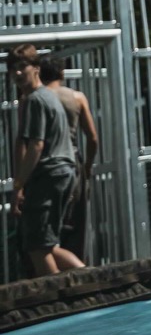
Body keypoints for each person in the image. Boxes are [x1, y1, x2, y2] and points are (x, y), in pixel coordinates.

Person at [9, 48, 84, 278]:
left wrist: (19, 184)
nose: (18, 72)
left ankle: (60, 301)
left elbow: (36, 146)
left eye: (23, 66)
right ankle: (92, 278)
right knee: (49, 245)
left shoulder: (35, 100)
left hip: (49, 174)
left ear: (37, 69)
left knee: (37, 248)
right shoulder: (48, 97)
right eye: (13, 68)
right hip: (63, 172)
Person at [38, 55, 98, 262]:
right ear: (62, 73)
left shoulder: (36, 98)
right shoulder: (77, 98)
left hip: (44, 166)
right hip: (73, 163)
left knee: (45, 231)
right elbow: (92, 138)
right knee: (76, 226)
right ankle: (79, 276)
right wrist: (87, 167)